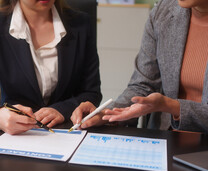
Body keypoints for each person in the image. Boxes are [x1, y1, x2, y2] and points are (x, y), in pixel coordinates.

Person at [0, 0, 102, 135]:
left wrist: (62, 109)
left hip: (66, 132)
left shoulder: (81, 24)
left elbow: (91, 93)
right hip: (14, 134)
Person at [71, 0, 208, 133]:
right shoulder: (163, 12)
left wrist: (171, 106)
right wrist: (105, 114)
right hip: (166, 138)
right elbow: (142, 86)